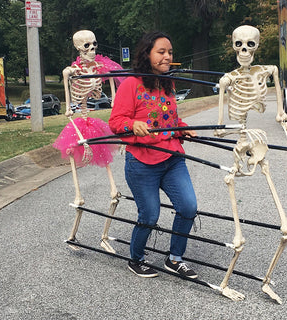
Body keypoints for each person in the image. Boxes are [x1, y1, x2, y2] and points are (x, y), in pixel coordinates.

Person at [109, 31, 198, 279]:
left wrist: (183, 127)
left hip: (172, 157)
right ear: (147, 54)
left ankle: (175, 259)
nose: (167, 56)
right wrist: (132, 125)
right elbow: (116, 122)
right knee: (149, 215)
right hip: (142, 162)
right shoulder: (131, 84)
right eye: (161, 52)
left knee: (189, 206)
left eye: (170, 52)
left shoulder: (167, 83)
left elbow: (167, 117)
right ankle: (136, 258)